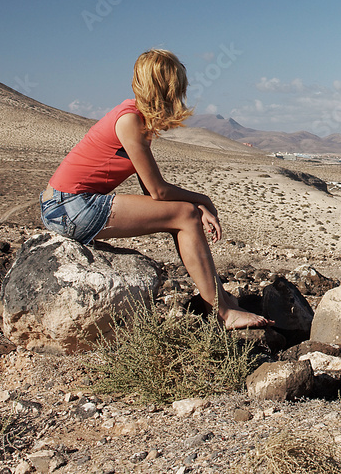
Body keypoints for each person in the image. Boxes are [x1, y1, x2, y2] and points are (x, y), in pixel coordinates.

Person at [39, 48, 271, 329]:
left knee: (185, 214)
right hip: (68, 207)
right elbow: (158, 191)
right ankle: (222, 313)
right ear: (166, 88)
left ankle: (219, 300)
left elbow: (152, 193)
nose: (181, 95)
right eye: (178, 87)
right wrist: (203, 200)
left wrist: (196, 205)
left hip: (65, 205)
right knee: (185, 215)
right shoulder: (129, 121)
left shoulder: (136, 118)